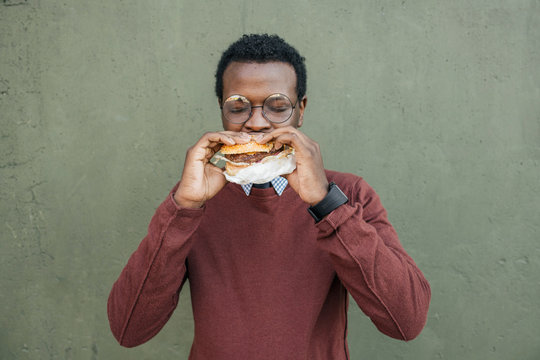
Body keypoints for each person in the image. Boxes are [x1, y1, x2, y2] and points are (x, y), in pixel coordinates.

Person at [107, 34, 431, 359]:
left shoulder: (350, 194)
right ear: (221, 110)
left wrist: (326, 203)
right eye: (238, 107)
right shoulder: (193, 200)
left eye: (277, 107)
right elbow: (128, 330)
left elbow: (406, 322)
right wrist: (184, 208)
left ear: (300, 111)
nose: (257, 123)